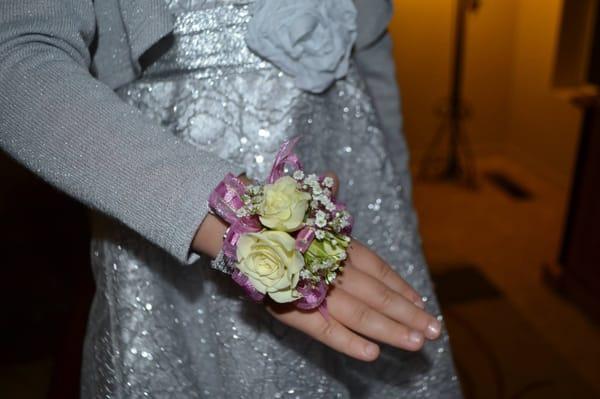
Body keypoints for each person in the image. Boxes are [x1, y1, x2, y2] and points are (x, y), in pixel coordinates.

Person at [0, 0, 462, 397]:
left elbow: (371, 50)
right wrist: (244, 228)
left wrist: (399, 206)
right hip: (178, 193)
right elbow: (15, 58)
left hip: (355, 177)